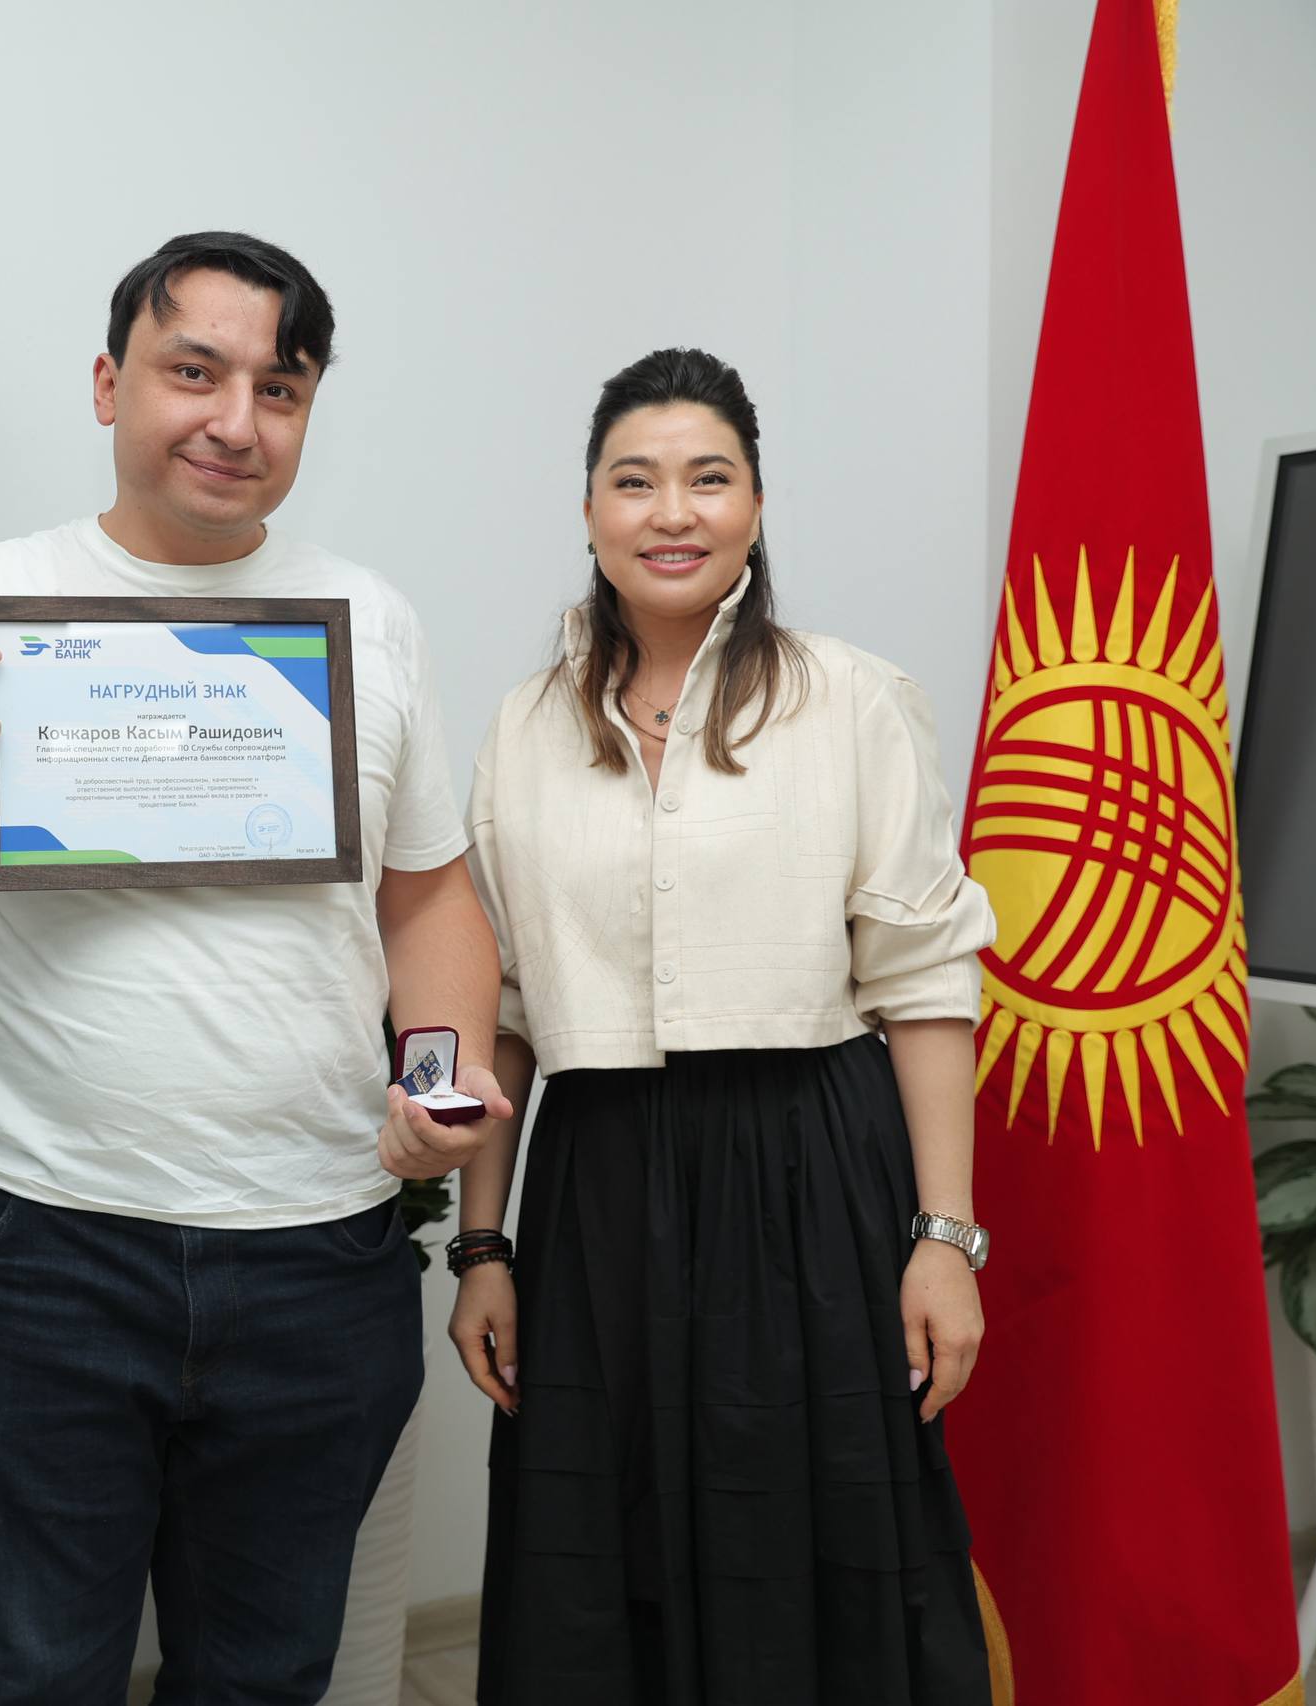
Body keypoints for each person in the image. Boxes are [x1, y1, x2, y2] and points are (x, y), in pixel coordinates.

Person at [0, 230, 511, 1705]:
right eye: (194, 371)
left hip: (319, 1245)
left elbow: (430, 894)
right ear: (108, 382)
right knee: (33, 1673)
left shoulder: (370, 621)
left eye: (281, 388)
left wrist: (440, 1077)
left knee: (266, 1674)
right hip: (39, 1247)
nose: (235, 420)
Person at [451, 347, 997, 1704]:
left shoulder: (851, 698)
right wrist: (482, 1244)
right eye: (635, 481)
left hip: (810, 1170)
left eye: (709, 477)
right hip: (596, 1182)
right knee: (606, 1551)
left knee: (813, 1539)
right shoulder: (524, 728)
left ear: (756, 503)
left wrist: (943, 1239)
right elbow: (502, 1009)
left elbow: (927, 982)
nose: (672, 512)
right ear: (589, 508)